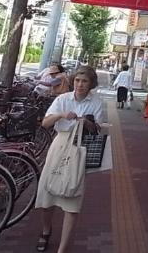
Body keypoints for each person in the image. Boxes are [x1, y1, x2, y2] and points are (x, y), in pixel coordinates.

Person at [35, 66, 106, 253]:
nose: (80, 85)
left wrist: (87, 122)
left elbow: (99, 129)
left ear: (91, 84)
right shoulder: (63, 99)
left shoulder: (97, 103)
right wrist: (60, 115)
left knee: (73, 197)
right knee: (47, 192)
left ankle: (62, 248)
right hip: (60, 145)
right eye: (77, 80)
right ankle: (46, 230)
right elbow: (45, 123)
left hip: (80, 148)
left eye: (85, 81)